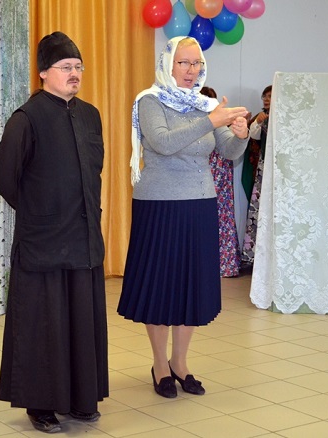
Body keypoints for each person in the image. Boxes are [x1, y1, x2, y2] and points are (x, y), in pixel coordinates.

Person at [118, 36, 249, 399]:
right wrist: (211, 120)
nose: (192, 70)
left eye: (197, 63)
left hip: (200, 204)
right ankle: (160, 364)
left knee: (191, 285)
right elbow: (163, 143)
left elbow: (228, 150)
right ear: (167, 64)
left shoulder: (205, 104)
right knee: (160, 286)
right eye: (184, 63)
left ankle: (180, 362)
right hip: (159, 205)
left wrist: (240, 135)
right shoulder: (150, 101)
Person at [0, 31, 108, 434]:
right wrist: (40, 215)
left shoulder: (90, 115)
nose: (74, 73)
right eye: (65, 67)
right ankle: (40, 405)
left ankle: (80, 399)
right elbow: (6, 180)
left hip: (84, 239)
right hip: (43, 242)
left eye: (78, 67)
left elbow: (93, 171)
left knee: (81, 321)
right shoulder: (25, 119)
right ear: (44, 72)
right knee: (44, 324)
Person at [201, 86, 241, 277]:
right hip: (212, 176)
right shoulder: (201, 122)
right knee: (217, 219)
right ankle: (220, 264)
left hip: (217, 176)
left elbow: (230, 147)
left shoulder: (219, 121)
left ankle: (223, 264)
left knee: (219, 218)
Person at [241, 85, 271, 266]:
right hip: (264, 167)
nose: (266, 99)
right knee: (259, 210)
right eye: (264, 96)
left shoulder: (287, 116)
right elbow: (254, 136)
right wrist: (258, 122)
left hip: (278, 168)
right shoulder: (262, 117)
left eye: (270, 96)